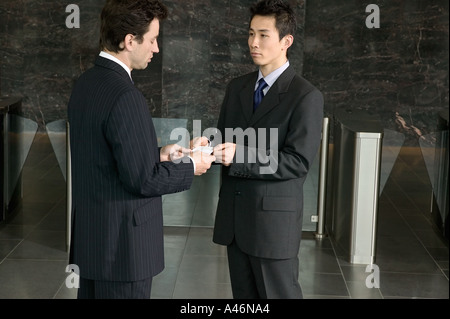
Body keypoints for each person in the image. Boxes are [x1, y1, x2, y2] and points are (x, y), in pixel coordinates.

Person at [67, 0, 215, 299]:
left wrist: (164, 153)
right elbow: (142, 180)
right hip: (123, 251)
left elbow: (105, 156)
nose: (156, 49)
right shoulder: (126, 95)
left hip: (92, 243)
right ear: (129, 41)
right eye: (152, 40)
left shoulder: (86, 83)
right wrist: (191, 166)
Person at [212, 0, 324, 299]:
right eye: (250, 34)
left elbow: (297, 162)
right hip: (235, 221)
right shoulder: (237, 87)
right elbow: (226, 139)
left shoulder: (305, 96)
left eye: (263, 35)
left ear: (286, 41)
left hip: (273, 227)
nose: (253, 42)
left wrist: (238, 155)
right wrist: (206, 149)